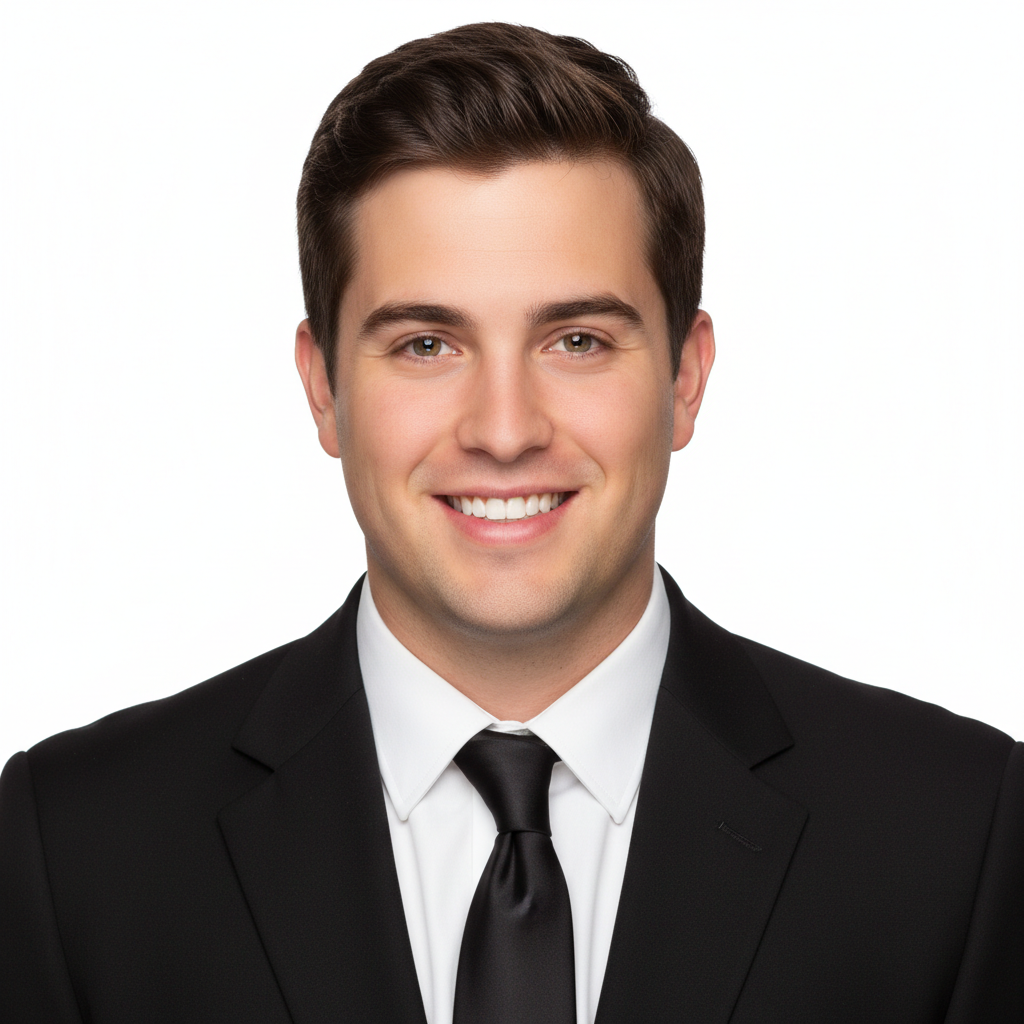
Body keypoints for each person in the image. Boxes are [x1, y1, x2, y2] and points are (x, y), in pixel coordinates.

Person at [0, 21, 1020, 1024]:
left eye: (576, 339)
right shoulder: (76, 848)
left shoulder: (954, 835)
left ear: (684, 377)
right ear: (321, 387)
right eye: (425, 344)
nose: (502, 430)